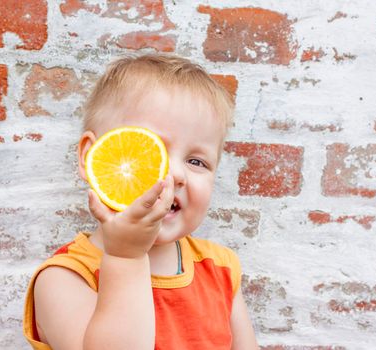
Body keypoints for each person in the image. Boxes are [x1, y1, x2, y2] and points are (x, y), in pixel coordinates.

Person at [23, 53, 258, 349]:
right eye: (151, 150)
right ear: (92, 158)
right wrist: (125, 257)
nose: (176, 174)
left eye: (197, 161)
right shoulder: (65, 277)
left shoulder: (221, 268)